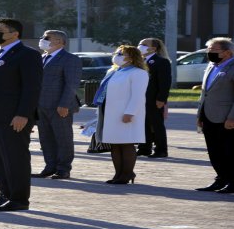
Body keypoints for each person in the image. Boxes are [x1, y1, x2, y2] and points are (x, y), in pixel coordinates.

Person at [0, 18, 42, 212]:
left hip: (13, 117)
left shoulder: (27, 54)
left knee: (15, 158)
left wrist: (23, 114)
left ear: (15, 33)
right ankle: (4, 195)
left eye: (0, 30)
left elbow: (32, 88)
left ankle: (19, 198)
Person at [93, 45, 149, 185]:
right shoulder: (114, 71)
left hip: (126, 113)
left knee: (126, 143)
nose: (116, 56)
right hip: (110, 113)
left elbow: (137, 96)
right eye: (116, 53)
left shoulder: (138, 73)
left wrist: (130, 112)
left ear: (131, 57)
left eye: (120, 53)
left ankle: (127, 173)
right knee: (115, 144)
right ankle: (118, 174)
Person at [33, 30, 82, 180]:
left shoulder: (70, 59)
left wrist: (64, 104)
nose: (42, 40)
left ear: (60, 41)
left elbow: (71, 84)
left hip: (59, 106)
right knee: (46, 138)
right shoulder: (42, 58)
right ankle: (50, 166)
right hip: (41, 105)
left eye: (47, 38)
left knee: (63, 138)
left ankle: (63, 168)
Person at [196, 37, 234, 194]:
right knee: (214, 151)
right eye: (208, 50)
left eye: (212, 50)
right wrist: (200, 115)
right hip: (208, 115)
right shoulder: (212, 66)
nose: (209, 53)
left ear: (227, 52)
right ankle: (221, 179)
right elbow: (206, 93)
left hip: (226, 118)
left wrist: (232, 117)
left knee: (229, 151)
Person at [136, 38, 172, 158]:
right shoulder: (139, 62)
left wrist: (161, 99)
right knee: (142, 124)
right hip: (140, 99)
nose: (140, 46)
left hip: (154, 99)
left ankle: (161, 149)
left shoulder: (161, 62)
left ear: (153, 48)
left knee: (156, 125)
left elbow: (165, 82)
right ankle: (144, 148)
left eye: (144, 44)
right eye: (140, 44)